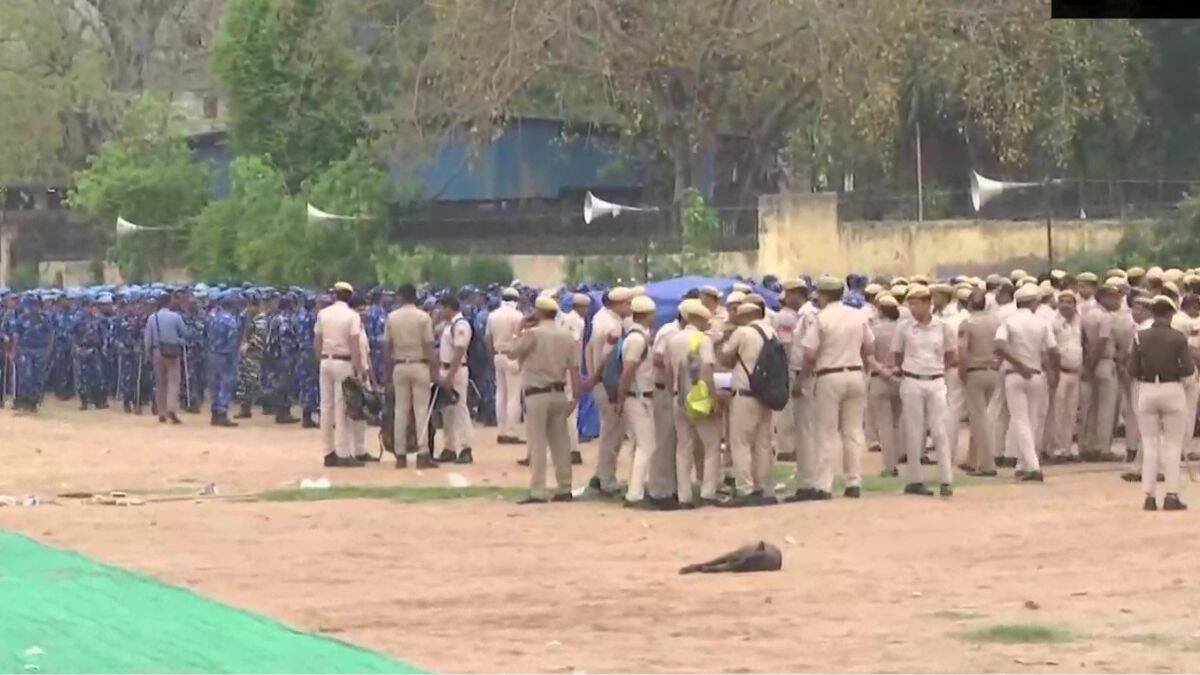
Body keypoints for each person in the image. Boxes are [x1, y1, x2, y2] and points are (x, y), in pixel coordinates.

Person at [789, 276, 874, 502]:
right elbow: (870, 345)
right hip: (855, 372)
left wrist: (802, 378)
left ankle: (823, 484)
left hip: (829, 374)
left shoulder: (821, 318)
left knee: (825, 432)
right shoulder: (858, 315)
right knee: (852, 431)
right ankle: (853, 482)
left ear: (822, 295)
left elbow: (809, 354)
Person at [513, 295, 582, 504]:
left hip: (537, 393)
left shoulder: (533, 334)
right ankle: (564, 487)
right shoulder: (567, 335)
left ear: (539, 312)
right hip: (559, 392)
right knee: (561, 442)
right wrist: (576, 396)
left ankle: (538, 489)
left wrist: (519, 328)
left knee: (538, 443)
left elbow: (512, 352)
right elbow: (574, 369)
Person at [1129, 295, 1193, 511]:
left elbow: (1133, 370)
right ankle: (1171, 494)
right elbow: (1187, 369)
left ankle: (1149, 496)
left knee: (1149, 445)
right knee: (1173, 446)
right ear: (1171, 313)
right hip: (1172, 389)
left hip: (1146, 390)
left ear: (1152, 313)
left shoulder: (1139, 336)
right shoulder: (1177, 337)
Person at [892, 285, 957, 497]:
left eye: (917, 303)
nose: (913, 308)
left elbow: (950, 354)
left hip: (936, 380)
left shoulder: (943, 326)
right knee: (913, 430)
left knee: (939, 429)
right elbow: (897, 355)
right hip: (911, 379)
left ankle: (946, 479)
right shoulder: (904, 327)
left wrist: (937, 369)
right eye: (910, 304)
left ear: (928, 304)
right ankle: (915, 479)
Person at [995, 283, 1060, 482]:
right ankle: (1025, 464)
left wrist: (1018, 363)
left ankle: (1030, 466)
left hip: (1015, 374)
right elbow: (1053, 351)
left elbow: (998, 346)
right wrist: (1054, 373)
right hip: (1037, 373)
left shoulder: (1009, 321)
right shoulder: (1041, 323)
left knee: (1021, 421)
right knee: (1032, 422)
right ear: (1034, 303)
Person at [665, 300, 721, 508]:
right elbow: (706, 371)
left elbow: (669, 370)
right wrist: (713, 398)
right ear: (698, 319)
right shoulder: (703, 340)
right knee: (712, 445)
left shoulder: (673, 339)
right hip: (699, 399)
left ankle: (684, 496)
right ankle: (708, 492)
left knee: (683, 447)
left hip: (679, 397)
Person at [584, 287, 633, 496]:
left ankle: (600, 476)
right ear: (618, 303)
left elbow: (588, 349)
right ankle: (607, 480)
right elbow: (608, 360)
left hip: (600, 382)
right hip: (608, 384)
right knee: (612, 434)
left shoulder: (599, 318)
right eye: (627, 303)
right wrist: (596, 377)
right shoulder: (611, 325)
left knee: (608, 432)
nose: (630, 308)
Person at [383, 283, 438, 470]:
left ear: (400, 297)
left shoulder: (392, 317)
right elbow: (429, 345)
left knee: (401, 411)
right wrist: (435, 370)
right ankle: (423, 454)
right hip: (419, 364)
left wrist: (388, 372)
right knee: (421, 410)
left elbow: (387, 347)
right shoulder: (424, 317)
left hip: (399, 365)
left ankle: (400, 455)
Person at [314, 282, 366, 467]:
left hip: (325, 361)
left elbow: (317, 341)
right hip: (343, 362)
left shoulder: (323, 314)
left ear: (335, 295)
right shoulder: (352, 316)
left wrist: (320, 360)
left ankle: (328, 452)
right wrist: (358, 368)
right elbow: (354, 343)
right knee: (342, 408)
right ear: (350, 297)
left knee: (326, 408)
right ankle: (343, 453)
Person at [618, 295, 658, 507]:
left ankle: (637, 489)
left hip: (635, 396)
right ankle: (635, 494)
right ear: (649, 315)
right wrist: (621, 397)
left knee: (639, 446)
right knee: (646, 446)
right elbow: (628, 371)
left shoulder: (634, 335)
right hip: (638, 397)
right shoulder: (637, 339)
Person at [1081, 283, 1121, 461]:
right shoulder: (1105, 317)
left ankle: (1088, 446)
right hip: (1103, 362)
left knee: (1091, 408)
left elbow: (1084, 341)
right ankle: (1103, 448)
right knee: (1106, 408)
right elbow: (1101, 342)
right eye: (1114, 297)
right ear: (1103, 298)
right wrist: (1092, 364)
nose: (1118, 301)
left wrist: (1087, 364)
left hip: (1089, 361)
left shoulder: (1088, 314)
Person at [867, 294, 902, 476]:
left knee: (884, 425)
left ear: (880, 310)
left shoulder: (874, 330)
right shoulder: (903, 329)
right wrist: (895, 368)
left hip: (879, 379)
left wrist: (882, 370)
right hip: (900, 377)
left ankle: (890, 466)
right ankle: (898, 459)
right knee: (897, 424)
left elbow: (869, 356)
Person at [436, 295, 475, 464]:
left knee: (460, 408)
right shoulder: (448, 326)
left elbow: (459, 351)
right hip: (446, 368)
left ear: (449, 307)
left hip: (456, 370)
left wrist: (451, 375)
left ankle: (465, 447)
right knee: (447, 411)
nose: (440, 311)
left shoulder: (461, 325)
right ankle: (449, 447)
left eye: (442, 308)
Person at [1048, 291, 1084, 462]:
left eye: (1069, 302)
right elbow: (1049, 349)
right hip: (1059, 371)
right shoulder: (1053, 323)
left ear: (1074, 305)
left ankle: (1067, 448)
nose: (1065, 305)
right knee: (1057, 412)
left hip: (1075, 372)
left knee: (1070, 413)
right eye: (1062, 301)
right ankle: (1055, 449)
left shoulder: (1079, 321)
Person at [487, 287, 526, 444]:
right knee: (514, 396)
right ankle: (511, 432)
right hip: (513, 356)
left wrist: (492, 357)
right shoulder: (518, 316)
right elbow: (522, 339)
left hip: (498, 355)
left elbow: (488, 338)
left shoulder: (493, 315)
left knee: (500, 394)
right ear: (516, 300)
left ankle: (501, 430)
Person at [144, 291, 187, 425]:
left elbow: (148, 338)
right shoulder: (176, 317)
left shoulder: (152, 318)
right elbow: (185, 333)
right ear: (170, 302)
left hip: (157, 351)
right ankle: (171, 408)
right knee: (173, 381)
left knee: (160, 383)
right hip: (172, 351)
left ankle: (161, 412)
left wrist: (148, 353)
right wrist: (179, 341)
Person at [558, 293, 590, 464]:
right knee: (571, 407)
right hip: (570, 366)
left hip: (562, 365)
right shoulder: (577, 321)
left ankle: (570, 447)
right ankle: (572, 449)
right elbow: (574, 342)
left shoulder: (565, 319)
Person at [12, 295, 54, 412]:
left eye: (34, 305)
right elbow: (16, 336)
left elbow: (50, 335)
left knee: (38, 377)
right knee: (26, 376)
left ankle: (34, 402)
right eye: (30, 306)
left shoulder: (44, 319)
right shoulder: (21, 319)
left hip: (40, 350)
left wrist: (48, 350)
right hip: (25, 350)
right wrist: (14, 352)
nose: (31, 308)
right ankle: (24, 400)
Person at [207, 292, 241, 427]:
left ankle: (214, 413)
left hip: (212, 353)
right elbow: (233, 340)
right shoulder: (231, 320)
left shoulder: (213, 318)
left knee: (214, 384)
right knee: (226, 384)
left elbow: (206, 335)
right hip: (226, 355)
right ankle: (222, 413)